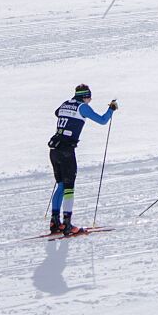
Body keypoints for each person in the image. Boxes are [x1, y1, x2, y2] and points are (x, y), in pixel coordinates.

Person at [48, 83, 117, 235]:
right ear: (85, 96)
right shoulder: (82, 107)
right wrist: (111, 109)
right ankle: (67, 225)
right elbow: (103, 120)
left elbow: (57, 112)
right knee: (69, 187)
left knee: (60, 185)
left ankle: (55, 222)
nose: (90, 100)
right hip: (66, 151)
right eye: (89, 97)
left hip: (54, 150)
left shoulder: (65, 103)